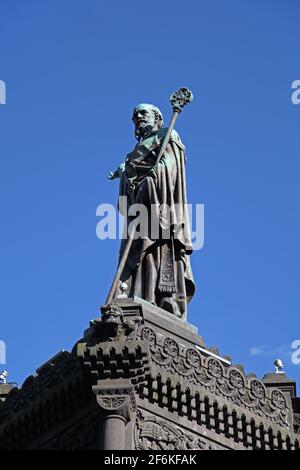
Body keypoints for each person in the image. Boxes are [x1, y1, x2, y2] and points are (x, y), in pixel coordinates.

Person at [108, 103, 195, 319]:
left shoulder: (167, 135)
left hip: (161, 208)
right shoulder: (133, 151)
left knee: (158, 250)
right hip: (138, 212)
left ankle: (163, 300)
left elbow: (172, 166)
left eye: (142, 112)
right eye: (134, 114)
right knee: (135, 256)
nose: (138, 116)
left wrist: (155, 178)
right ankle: (135, 296)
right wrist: (128, 174)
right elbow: (129, 175)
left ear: (157, 117)